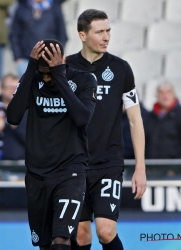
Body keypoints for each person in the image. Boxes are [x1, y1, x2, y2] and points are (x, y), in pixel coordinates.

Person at [66, 9, 147, 250]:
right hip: (74, 164)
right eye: (99, 31)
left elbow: (135, 120)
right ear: (82, 35)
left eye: (108, 31)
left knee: (105, 230)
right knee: (80, 234)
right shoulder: (66, 68)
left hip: (108, 163)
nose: (106, 37)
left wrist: (140, 167)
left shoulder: (121, 69)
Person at [7, 39, 97, 250]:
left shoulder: (84, 80)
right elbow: (13, 116)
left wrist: (59, 75)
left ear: (62, 61)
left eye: (50, 72)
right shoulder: (33, 77)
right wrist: (30, 69)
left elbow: (82, 118)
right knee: (46, 245)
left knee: (61, 239)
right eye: (43, 72)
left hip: (70, 172)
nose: (46, 78)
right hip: (37, 175)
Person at [9, 0, 68, 77]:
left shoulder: (55, 8)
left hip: (49, 61)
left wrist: (57, 56)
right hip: (26, 60)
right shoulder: (22, 7)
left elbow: (62, 35)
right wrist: (18, 57)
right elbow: (14, 34)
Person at [0, 73, 27, 161]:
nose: (14, 91)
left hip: (19, 163)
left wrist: (16, 127)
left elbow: (32, 141)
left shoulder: (27, 109)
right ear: (2, 89)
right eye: (10, 88)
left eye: (16, 87)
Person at [145, 82, 181, 179]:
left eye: (168, 92)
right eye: (161, 92)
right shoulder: (150, 117)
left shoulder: (179, 115)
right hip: (151, 172)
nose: (165, 95)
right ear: (157, 95)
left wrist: (175, 169)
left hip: (175, 174)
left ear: (174, 94)